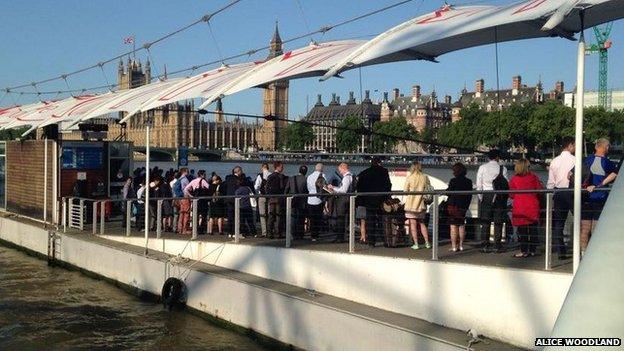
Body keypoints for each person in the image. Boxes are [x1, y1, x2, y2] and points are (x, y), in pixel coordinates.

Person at [581, 138, 618, 254]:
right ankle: (594, 253)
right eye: (608, 147)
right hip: (600, 197)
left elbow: (570, 174)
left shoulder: (586, 160)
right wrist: (600, 185)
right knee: (596, 229)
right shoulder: (606, 162)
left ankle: (583, 253)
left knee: (585, 228)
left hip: (586, 197)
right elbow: (615, 174)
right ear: (606, 147)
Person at [547, 137, 576, 259]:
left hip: (559, 192)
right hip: (573, 191)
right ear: (570, 145)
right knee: (580, 220)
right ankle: (581, 248)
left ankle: (561, 251)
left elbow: (550, 182)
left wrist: (550, 195)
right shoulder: (576, 160)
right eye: (574, 145)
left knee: (559, 223)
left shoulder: (554, 161)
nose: (575, 148)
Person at [509, 159, 543, 258]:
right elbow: (539, 190)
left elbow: (511, 195)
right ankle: (532, 250)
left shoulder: (514, 179)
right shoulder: (533, 177)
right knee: (533, 229)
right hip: (532, 205)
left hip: (520, 206)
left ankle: (524, 251)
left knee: (522, 230)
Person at [476, 149, 509, 253]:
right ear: (497, 157)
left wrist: (481, 197)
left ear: (488, 157)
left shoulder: (482, 168)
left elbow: (479, 185)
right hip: (499, 196)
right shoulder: (503, 168)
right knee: (498, 221)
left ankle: (485, 245)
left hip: (487, 195)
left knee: (486, 221)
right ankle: (497, 245)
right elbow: (506, 185)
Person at [356, 157, 392, 246]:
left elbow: (359, 187)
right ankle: (385, 240)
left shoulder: (364, 173)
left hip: (368, 200)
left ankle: (371, 241)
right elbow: (388, 185)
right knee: (382, 221)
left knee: (370, 221)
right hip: (381, 200)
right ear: (379, 163)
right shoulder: (384, 172)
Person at [404, 161, 431, 250]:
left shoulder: (409, 177)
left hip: (411, 204)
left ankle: (416, 243)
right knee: (422, 223)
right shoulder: (425, 177)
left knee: (413, 224)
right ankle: (427, 242)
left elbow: (405, 191)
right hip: (421, 204)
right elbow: (429, 188)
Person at [446, 163, 473, 252]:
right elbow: (470, 195)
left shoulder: (453, 181)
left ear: (456, 171)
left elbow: (449, 192)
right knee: (461, 225)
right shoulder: (469, 181)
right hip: (463, 206)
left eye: (454, 170)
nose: (453, 172)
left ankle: (454, 246)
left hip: (453, 206)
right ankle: (461, 245)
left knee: (453, 226)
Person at [328, 163, 353, 243]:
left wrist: (333, 188)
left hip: (343, 200)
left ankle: (340, 237)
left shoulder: (346, 177)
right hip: (347, 199)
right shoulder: (351, 176)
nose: (340, 172)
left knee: (340, 218)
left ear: (343, 168)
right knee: (341, 218)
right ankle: (341, 236)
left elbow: (343, 190)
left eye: (340, 170)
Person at [285, 165, 309, 239]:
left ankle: (293, 233)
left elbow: (286, 190)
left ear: (299, 170)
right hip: (302, 201)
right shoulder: (306, 179)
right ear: (306, 172)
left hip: (293, 201)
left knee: (293, 217)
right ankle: (300, 234)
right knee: (301, 218)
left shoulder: (291, 178)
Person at [266, 162, 288, 238]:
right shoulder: (282, 177)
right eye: (282, 167)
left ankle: (269, 233)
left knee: (271, 215)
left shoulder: (270, 176)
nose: (283, 168)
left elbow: (267, 188)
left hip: (271, 198)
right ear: (278, 167)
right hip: (279, 198)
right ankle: (278, 233)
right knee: (279, 216)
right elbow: (283, 188)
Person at [306, 163, 326, 242]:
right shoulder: (323, 176)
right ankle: (316, 234)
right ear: (322, 169)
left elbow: (308, 188)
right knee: (318, 218)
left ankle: (312, 235)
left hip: (310, 199)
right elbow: (324, 187)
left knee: (311, 218)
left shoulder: (309, 176)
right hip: (319, 200)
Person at [224, 166, 244, 235]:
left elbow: (223, 186)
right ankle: (236, 232)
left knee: (230, 217)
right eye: (241, 171)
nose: (242, 172)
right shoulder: (239, 180)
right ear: (238, 171)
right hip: (236, 199)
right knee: (237, 216)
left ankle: (230, 232)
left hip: (229, 199)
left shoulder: (228, 178)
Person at [254, 163, 271, 237]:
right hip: (270, 197)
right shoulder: (271, 175)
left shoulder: (259, 176)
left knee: (262, 215)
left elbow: (256, 187)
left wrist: (258, 192)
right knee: (270, 214)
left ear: (262, 168)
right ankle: (270, 230)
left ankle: (264, 232)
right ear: (268, 168)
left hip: (262, 196)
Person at [175, 168, 191, 234]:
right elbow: (186, 189)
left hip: (180, 198)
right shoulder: (185, 179)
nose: (188, 172)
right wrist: (190, 195)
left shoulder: (179, 179)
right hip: (185, 198)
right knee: (186, 213)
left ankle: (180, 229)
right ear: (184, 172)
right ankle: (184, 229)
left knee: (181, 213)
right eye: (187, 171)